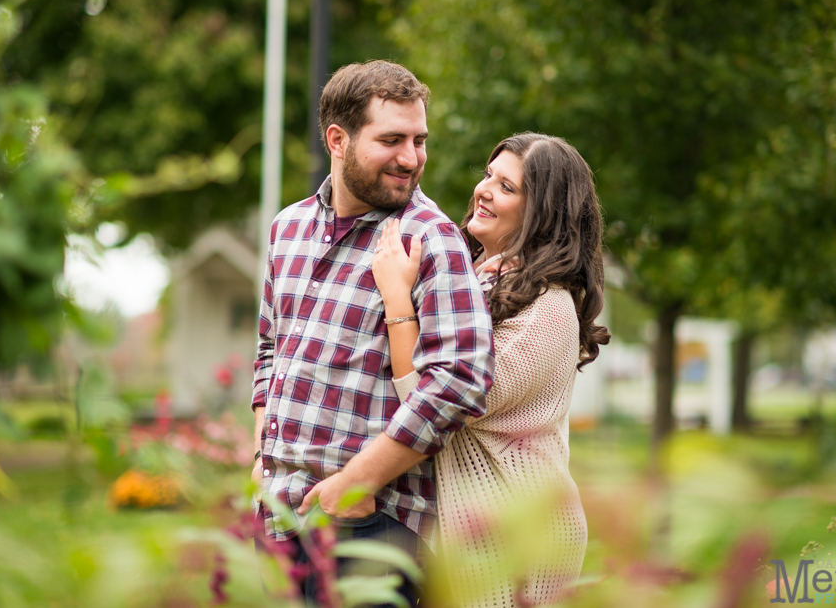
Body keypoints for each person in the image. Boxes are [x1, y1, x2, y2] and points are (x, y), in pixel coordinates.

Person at [250, 60, 495, 605]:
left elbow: (460, 380)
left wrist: (354, 485)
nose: (411, 158)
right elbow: (269, 351)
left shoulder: (431, 239)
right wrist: (264, 448)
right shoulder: (287, 228)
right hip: (279, 521)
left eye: (419, 140)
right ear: (338, 140)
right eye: (391, 140)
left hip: (371, 529)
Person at [372, 132, 610, 607]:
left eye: (506, 187)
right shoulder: (475, 280)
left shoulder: (547, 309)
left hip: (515, 529)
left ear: (543, 214)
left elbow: (435, 401)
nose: (483, 189)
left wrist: (397, 300)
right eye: (488, 175)